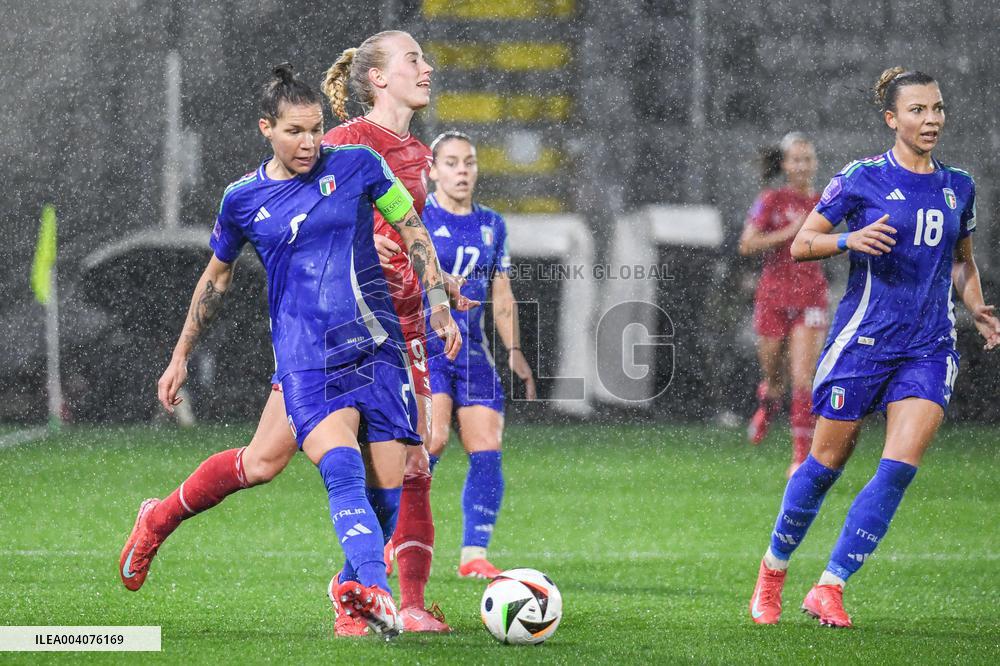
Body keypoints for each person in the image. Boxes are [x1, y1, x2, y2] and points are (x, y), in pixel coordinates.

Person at [119, 64, 461, 637]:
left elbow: (413, 231)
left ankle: (344, 586)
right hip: (308, 362)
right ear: (266, 130)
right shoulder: (244, 200)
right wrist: (180, 354)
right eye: (295, 132)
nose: (309, 143)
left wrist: (439, 302)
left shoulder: (358, 166)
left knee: (282, 467)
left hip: (377, 350)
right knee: (343, 470)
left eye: (316, 129)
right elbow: (215, 280)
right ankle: (372, 594)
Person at [749, 67, 1000, 628]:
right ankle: (773, 569)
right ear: (892, 119)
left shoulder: (959, 184)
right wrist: (848, 239)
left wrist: (976, 304)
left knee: (898, 467)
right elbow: (802, 243)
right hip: (864, 342)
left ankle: (830, 586)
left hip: (930, 345)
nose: (931, 119)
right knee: (825, 464)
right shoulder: (860, 178)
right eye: (918, 110)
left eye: (937, 109)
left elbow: (961, 258)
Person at [320, 30, 474, 633]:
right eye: (414, 59)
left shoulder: (414, 155)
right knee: (265, 459)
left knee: (417, 459)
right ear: (378, 77)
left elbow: (413, 237)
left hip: (404, 325)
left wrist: (439, 295)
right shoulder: (347, 142)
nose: (428, 68)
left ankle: (398, 600)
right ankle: (161, 518)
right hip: (348, 329)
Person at [422, 131, 537, 579]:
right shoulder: (418, 217)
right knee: (431, 443)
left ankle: (474, 554)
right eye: (451, 163)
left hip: (470, 350)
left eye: (468, 162)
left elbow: (501, 294)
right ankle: (396, 539)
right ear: (432, 170)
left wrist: (515, 350)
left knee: (487, 446)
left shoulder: (493, 224)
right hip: (425, 347)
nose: (462, 171)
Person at [739, 133, 828, 477]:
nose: (802, 165)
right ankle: (768, 401)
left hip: (810, 296)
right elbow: (747, 244)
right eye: (796, 159)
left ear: (814, 163)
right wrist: (790, 232)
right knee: (774, 374)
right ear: (784, 164)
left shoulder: (824, 202)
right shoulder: (771, 200)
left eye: (808, 159)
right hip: (773, 296)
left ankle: (800, 457)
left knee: (803, 378)